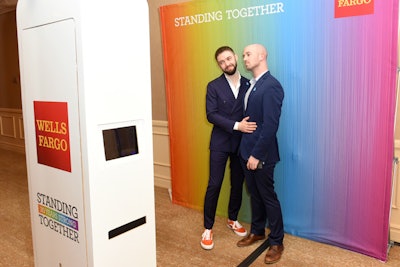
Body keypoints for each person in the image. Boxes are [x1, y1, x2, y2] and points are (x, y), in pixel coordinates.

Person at [201, 46, 257, 250]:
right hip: (220, 142)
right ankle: (208, 228)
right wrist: (236, 125)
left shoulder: (249, 84)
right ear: (219, 65)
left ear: (235, 57)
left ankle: (232, 218)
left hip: (241, 143)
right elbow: (211, 114)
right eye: (222, 62)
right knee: (214, 184)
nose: (226, 64)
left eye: (228, 59)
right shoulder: (213, 86)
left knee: (237, 183)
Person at [236, 44, 285, 264]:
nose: (244, 58)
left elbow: (270, 126)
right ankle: (257, 231)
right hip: (246, 152)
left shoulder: (271, 86)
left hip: (261, 154)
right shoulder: (252, 85)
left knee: (267, 197)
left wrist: (256, 155)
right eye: (244, 54)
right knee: (254, 195)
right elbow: (252, 118)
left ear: (262, 55)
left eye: (248, 54)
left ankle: (276, 241)